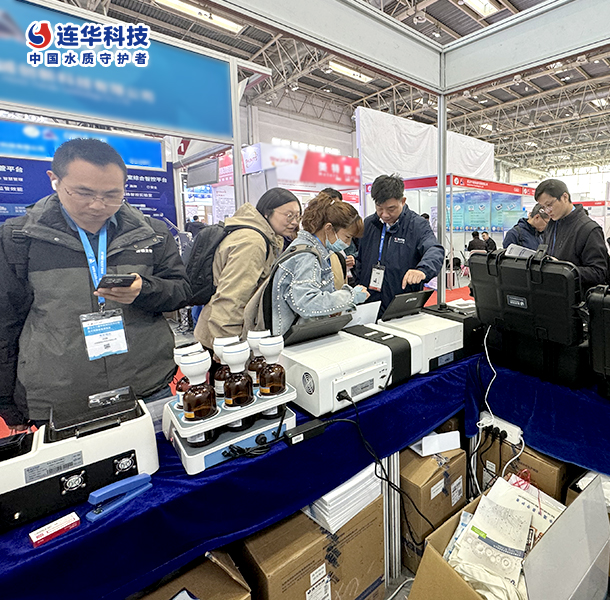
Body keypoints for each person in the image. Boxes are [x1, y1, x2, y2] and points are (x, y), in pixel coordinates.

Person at [0, 138, 191, 430]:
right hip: (60, 396)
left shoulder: (151, 233)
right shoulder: (19, 237)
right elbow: (6, 322)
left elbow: (181, 290)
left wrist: (145, 290)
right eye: (83, 193)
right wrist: (6, 402)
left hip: (146, 383)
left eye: (112, 195)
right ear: (54, 180)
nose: (98, 205)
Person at [194, 187, 300, 349]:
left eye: (298, 216)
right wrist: (228, 345)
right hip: (222, 337)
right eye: (289, 215)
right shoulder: (252, 242)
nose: (294, 222)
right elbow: (232, 298)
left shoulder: (264, 236)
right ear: (267, 213)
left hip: (227, 331)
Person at [270, 195, 368, 335]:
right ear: (329, 228)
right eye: (347, 237)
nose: (348, 243)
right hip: (294, 339)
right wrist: (350, 296)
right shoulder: (306, 256)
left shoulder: (312, 249)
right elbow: (307, 303)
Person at [356, 174, 444, 317]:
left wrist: (422, 270)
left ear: (402, 201)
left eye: (391, 209)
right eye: (379, 208)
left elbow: (435, 250)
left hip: (401, 304)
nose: (384, 214)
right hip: (368, 302)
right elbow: (360, 259)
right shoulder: (369, 224)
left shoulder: (417, 225)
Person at [534, 178, 610, 289]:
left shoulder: (589, 229)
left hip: (577, 295)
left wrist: (564, 270)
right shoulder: (552, 225)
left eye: (549, 205)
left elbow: (598, 273)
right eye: (543, 208)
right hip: (555, 292)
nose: (548, 211)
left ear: (565, 197)